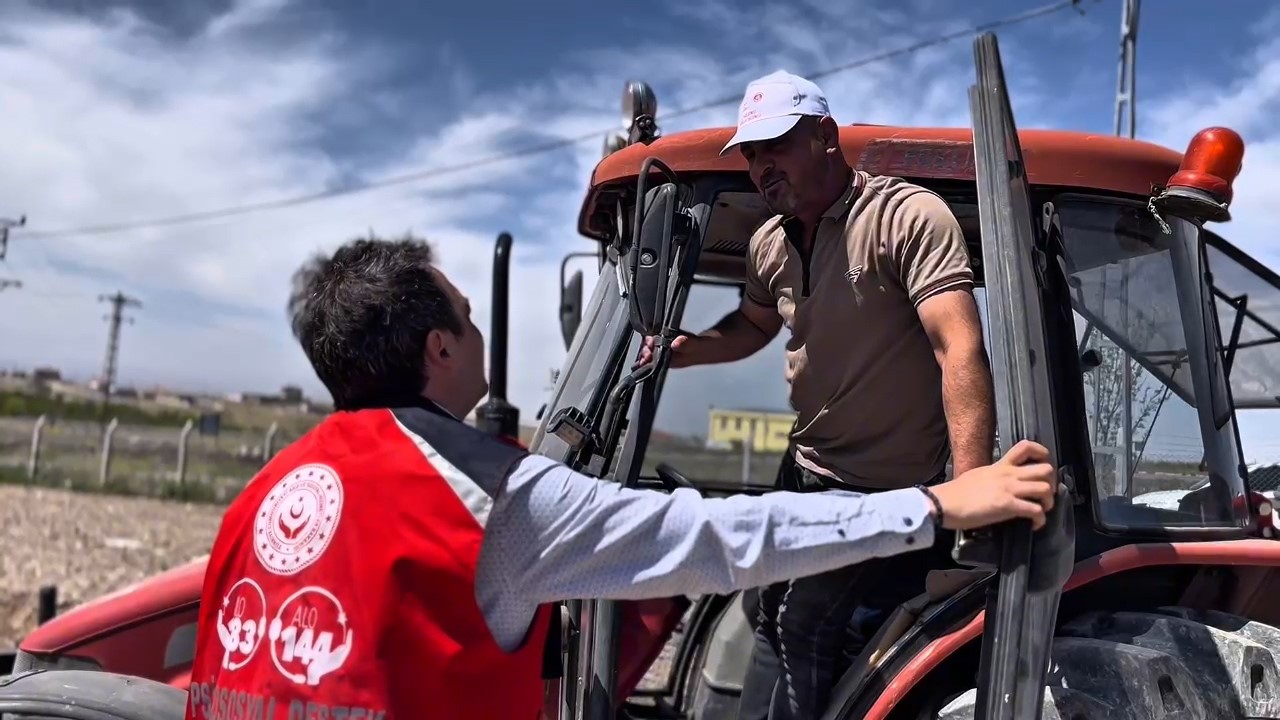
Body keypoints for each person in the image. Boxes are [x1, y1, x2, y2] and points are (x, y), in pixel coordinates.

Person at [183, 234, 1048, 720]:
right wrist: (936, 503)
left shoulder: (263, 495)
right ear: (439, 349)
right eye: (471, 320)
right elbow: (719, 539)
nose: (481, 335)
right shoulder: (495, 498)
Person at [637, 70, 998, 719]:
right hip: (807, 467)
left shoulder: (904, 218)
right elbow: (753, 326)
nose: (760, 168)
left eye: (774, 146)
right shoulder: (769, 244)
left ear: (825, 137)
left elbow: (959, 348)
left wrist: (967, 492)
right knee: (765, 600)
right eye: (751, 155)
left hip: (885, 486)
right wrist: (681, 350)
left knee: (802, 620)